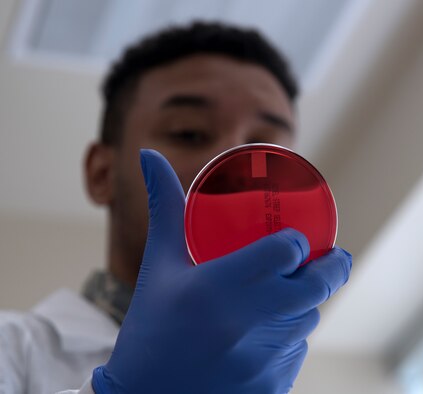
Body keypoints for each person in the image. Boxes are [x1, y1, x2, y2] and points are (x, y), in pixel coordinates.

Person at [0, 21, 352, 394]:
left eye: (262, 148)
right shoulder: (12, 347)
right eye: (190, 133)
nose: (233, 163)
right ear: (102, 174)